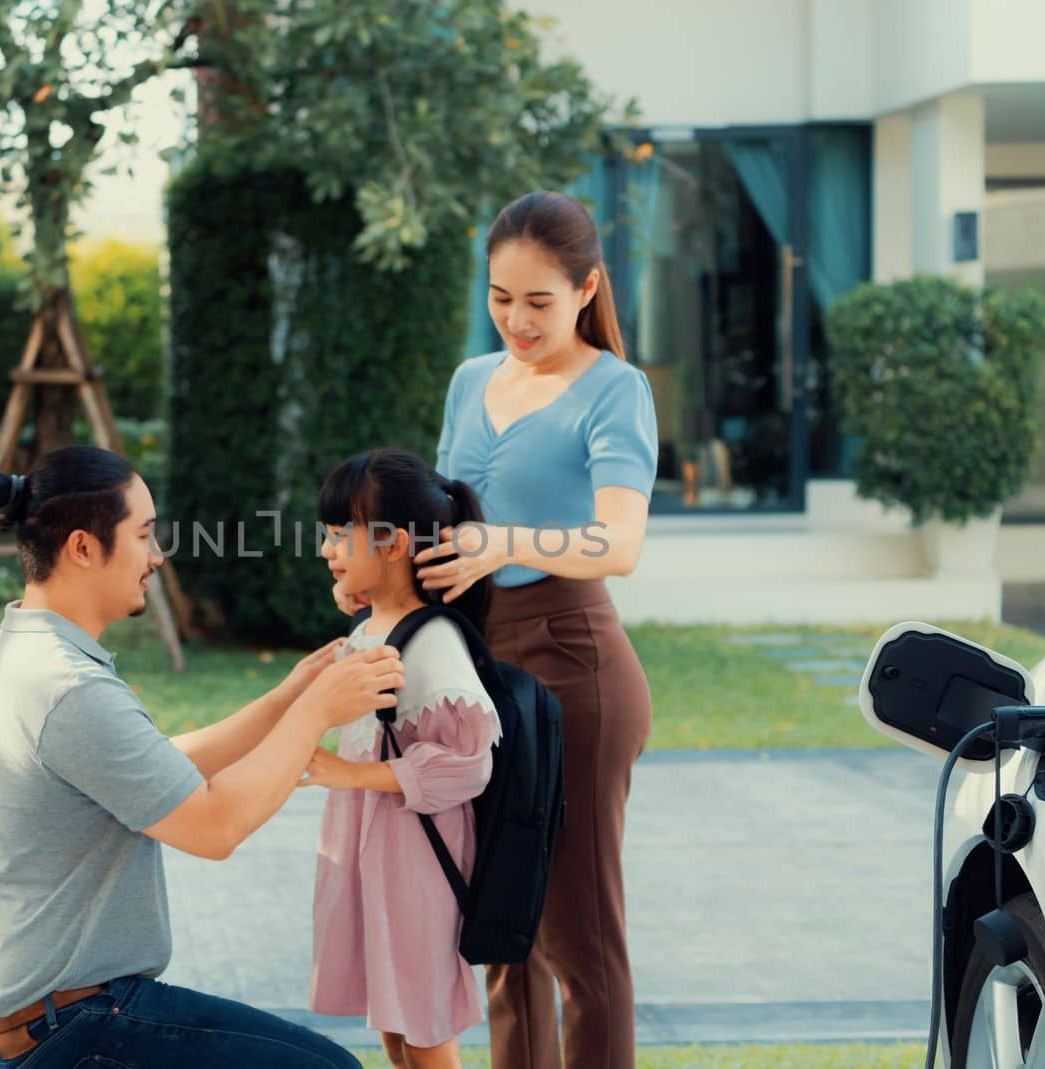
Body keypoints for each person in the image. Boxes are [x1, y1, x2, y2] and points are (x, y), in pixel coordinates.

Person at [340, 190, 660, 1069]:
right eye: (500, 298)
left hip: (575, 665)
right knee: (497, 926)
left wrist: (503, 543)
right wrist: (380, 585)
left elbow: (621, 542)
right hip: (475, 665)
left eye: (540, 302)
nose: (516, 321)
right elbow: (444, 528)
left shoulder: (616, 391)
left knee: (580, 939)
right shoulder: (471, 381)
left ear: (588, 288)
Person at [0, 445, 404, 1069]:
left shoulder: (27, 647)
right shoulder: (70, 688)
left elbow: (153, 767)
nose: (157, 555)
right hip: (76, 1024)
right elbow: (215, 827)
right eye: (144, 535)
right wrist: (316, 714)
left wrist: (286, 699)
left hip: (51, 1015)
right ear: (84, 548)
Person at [298, 449, 502, 1069]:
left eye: (339, 536)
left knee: (421, 1020)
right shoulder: (377, 626)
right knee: (392, 1018)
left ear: (390, 545)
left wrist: (348, 774)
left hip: (417, 858)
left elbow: (470, 763)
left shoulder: (434, 642)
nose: (327, 550)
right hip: (374, 846)